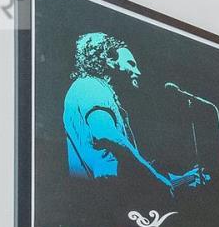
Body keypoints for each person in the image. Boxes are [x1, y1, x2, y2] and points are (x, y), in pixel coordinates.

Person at [62, 33, 205, 194]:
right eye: (131, 64)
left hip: (110, 193)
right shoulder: (89, 86)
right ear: (109, 59)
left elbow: (133, 173)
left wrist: (185, 179)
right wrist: (157, 179)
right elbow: (107, 135)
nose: (138, 71)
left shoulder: (99, 91)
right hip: (103, 197)